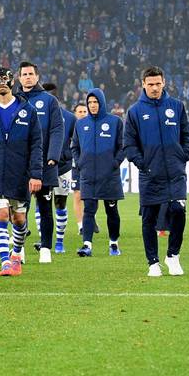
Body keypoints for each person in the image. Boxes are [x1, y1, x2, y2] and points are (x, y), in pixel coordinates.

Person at [122, 66, 189, 277]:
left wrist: (182, 156)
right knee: (149, 219)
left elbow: (187, 134)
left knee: (179, 211)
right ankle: (152, 262)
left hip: (175, 172)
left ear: (164, 83)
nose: (154, 87)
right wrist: (143, 164)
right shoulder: (135, 111)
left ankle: (173, 256)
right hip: (150, 173)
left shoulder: (176, 106)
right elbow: (129, 144)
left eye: (158, 83)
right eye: (150, 84)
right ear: (143, 84)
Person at [0, 67, 42, 277]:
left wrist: (36, 174)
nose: (2, 82)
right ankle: (5, 262)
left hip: (19, 172)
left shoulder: (27, 110)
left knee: (19, 220)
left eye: (5, 79)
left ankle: (17, 254)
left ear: (13, 82)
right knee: (1, 215)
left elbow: (36, 144)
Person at [13, 61, 65, 264]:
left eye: (30, 74)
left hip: (45, 164)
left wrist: (53, 155)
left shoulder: (49, 101)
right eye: (24, 74)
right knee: (19, 210)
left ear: (37, 77)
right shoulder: (14, 100)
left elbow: (57, 129)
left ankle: (45, 249)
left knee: (45, 208)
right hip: (19, 166)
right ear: (19, 78)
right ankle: (19, 249)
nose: (27, 77)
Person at [71, 88, 124, 258]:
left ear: (102, 103)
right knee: (89, 210)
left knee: (112, 210)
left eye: (95, 102)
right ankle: (87, 245)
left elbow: (122, 147)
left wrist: (115, 163)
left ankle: (113, 243)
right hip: (88, 174)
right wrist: (80, 163)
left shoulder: (115, 122)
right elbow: (75, 147)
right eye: (90, 102)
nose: (92, 105)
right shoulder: (80, 124)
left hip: (109, 175)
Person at [44, 82, 78, 253]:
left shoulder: (70, 118)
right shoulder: (38, 115)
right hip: (43, 166)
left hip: (63, 167)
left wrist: (68, 155)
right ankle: (45, 240)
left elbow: (76, 141)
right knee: (42, 203)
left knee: (60, 203)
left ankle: (59, 241)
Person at [70, 101, 89, 234]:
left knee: (91, 196)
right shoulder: (70, 127)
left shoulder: (93, 126)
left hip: (91, 166)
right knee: (77, 195)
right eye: (80, 112)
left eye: (84, 112)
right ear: (75, 114)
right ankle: (81, 226)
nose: (82, 114)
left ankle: (90, 220)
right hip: (75, 166)